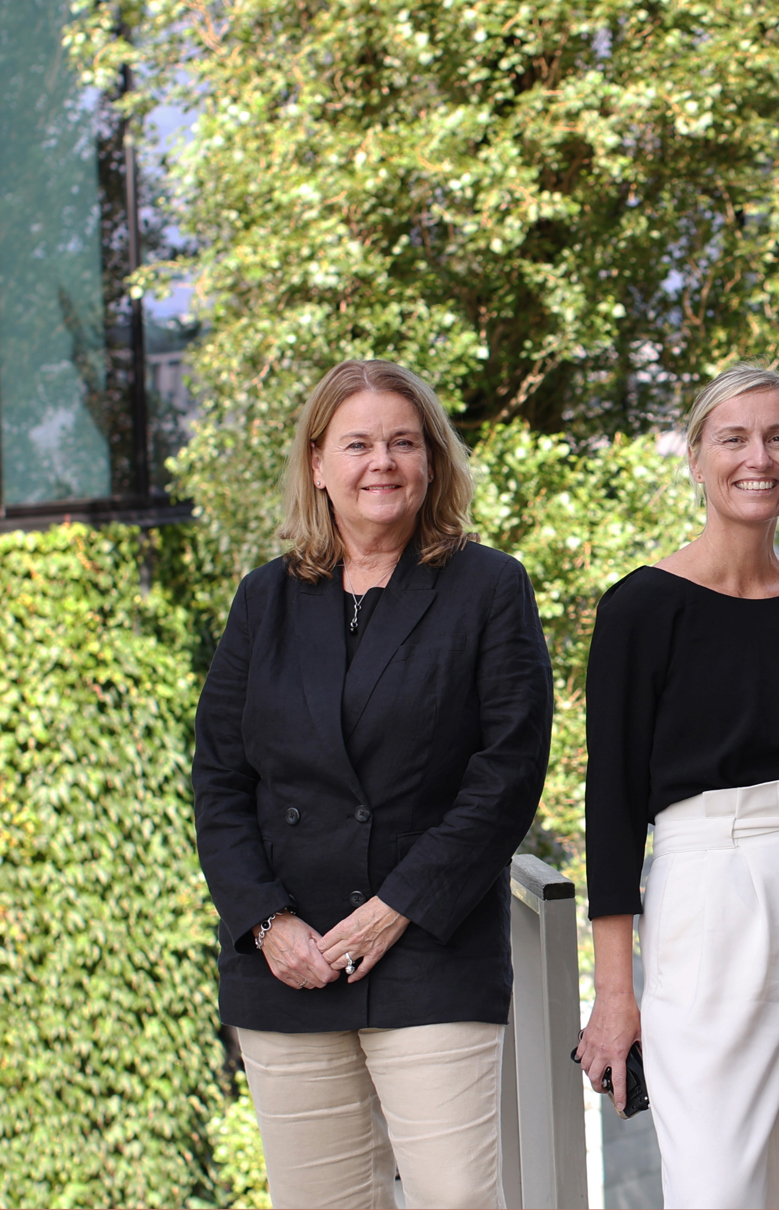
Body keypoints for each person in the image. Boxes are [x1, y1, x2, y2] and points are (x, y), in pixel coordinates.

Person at [192, 359, 554, 1209]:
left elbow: (507, 773)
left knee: (455, 1198)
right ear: (318, 463)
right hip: (290, 963)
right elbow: (219, 779)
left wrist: (396, 909)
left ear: (432, 460)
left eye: (403, 442)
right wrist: (267, 922)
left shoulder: (488, 586)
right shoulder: (263, 600)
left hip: (431, 948)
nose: (381, 463)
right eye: (357, 445)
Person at [576, 363, 779, 1209]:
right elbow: (610, 814)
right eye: (733, 438)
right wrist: (614, 995)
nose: (758, 458)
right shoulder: (639, 611)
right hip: (714, 889)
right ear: (695, 459)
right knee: (716, 1181)